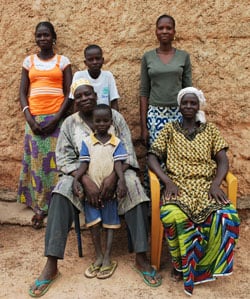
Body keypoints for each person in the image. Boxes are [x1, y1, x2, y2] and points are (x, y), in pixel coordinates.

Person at [28, 79, 162, 297]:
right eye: (79, 96)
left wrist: (112, 178)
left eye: (88, 94)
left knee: (135, 186)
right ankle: (51, 265)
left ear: (95, 95)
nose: (84, 98)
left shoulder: (115, 117)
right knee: (61, 191)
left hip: (116, 172)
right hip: (81, 175)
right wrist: (84, 180)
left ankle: (141, 258)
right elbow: (63, 158)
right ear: (75, 102)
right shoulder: (70, 124)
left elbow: (127, 151)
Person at [147, 87, 240, 296]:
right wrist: (167, 182)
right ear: (179, 106)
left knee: (227, 217)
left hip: (206, 187)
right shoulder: (170, 130)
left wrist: (216, 184)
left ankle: (203, 266)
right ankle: (180, 265)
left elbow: (222, 160)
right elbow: (152, 156)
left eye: (193, 103)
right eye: (185, 103)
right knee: (173, 215)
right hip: (178, 186)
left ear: (198, 106)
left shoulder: (210, 130)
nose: (189, 106)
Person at [17, 21, 72, 229]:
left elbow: (70, 92)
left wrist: (57, 118)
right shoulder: (28, 61)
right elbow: (22, 93)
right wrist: (29, 119)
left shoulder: (63, 61)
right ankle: (40, 208)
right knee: (37, 166)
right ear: (35, 38)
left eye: (46, 35)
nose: (43, 39)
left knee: (57, 164)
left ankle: (57, 205)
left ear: (53, 37)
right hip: (34, 119)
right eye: (39, 35)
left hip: (57, 119)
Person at [73, 103, 128, 279]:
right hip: (93, 193)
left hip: (108, 193)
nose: (102, 124)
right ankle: (98, 255)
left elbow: (119, 165)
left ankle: (107, 257)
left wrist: (121, 182)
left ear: (111, 122)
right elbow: (83, 165)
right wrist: (76, 179)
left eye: (105, 121)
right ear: (93, 123)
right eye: (98, 121)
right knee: (94, 224)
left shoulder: (116, 142)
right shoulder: (87, 142)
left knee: (110, 223)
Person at [140, 14, 192, 147]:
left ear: (174, 32)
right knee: (157, 156)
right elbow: (144, 91)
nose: (164, 31)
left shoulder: (183, 56)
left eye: (168, 28)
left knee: (179, 154)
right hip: (155, 115)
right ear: (156, 31)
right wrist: (144, 127)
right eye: (160, 28)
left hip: (179, 113)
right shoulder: (148, 57)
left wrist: (190, 121)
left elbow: (188, 90)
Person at [70, 44, 120, 111]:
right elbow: (75, 102)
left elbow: (114, 101)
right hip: (85, 115)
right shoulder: (79, 76)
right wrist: (76, 120)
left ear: (102, 60)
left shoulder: (108, 76)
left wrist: (115, 118)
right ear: (85, 62)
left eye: (97, 58)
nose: (95, 62)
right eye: (90, 60)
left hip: (103, 116)